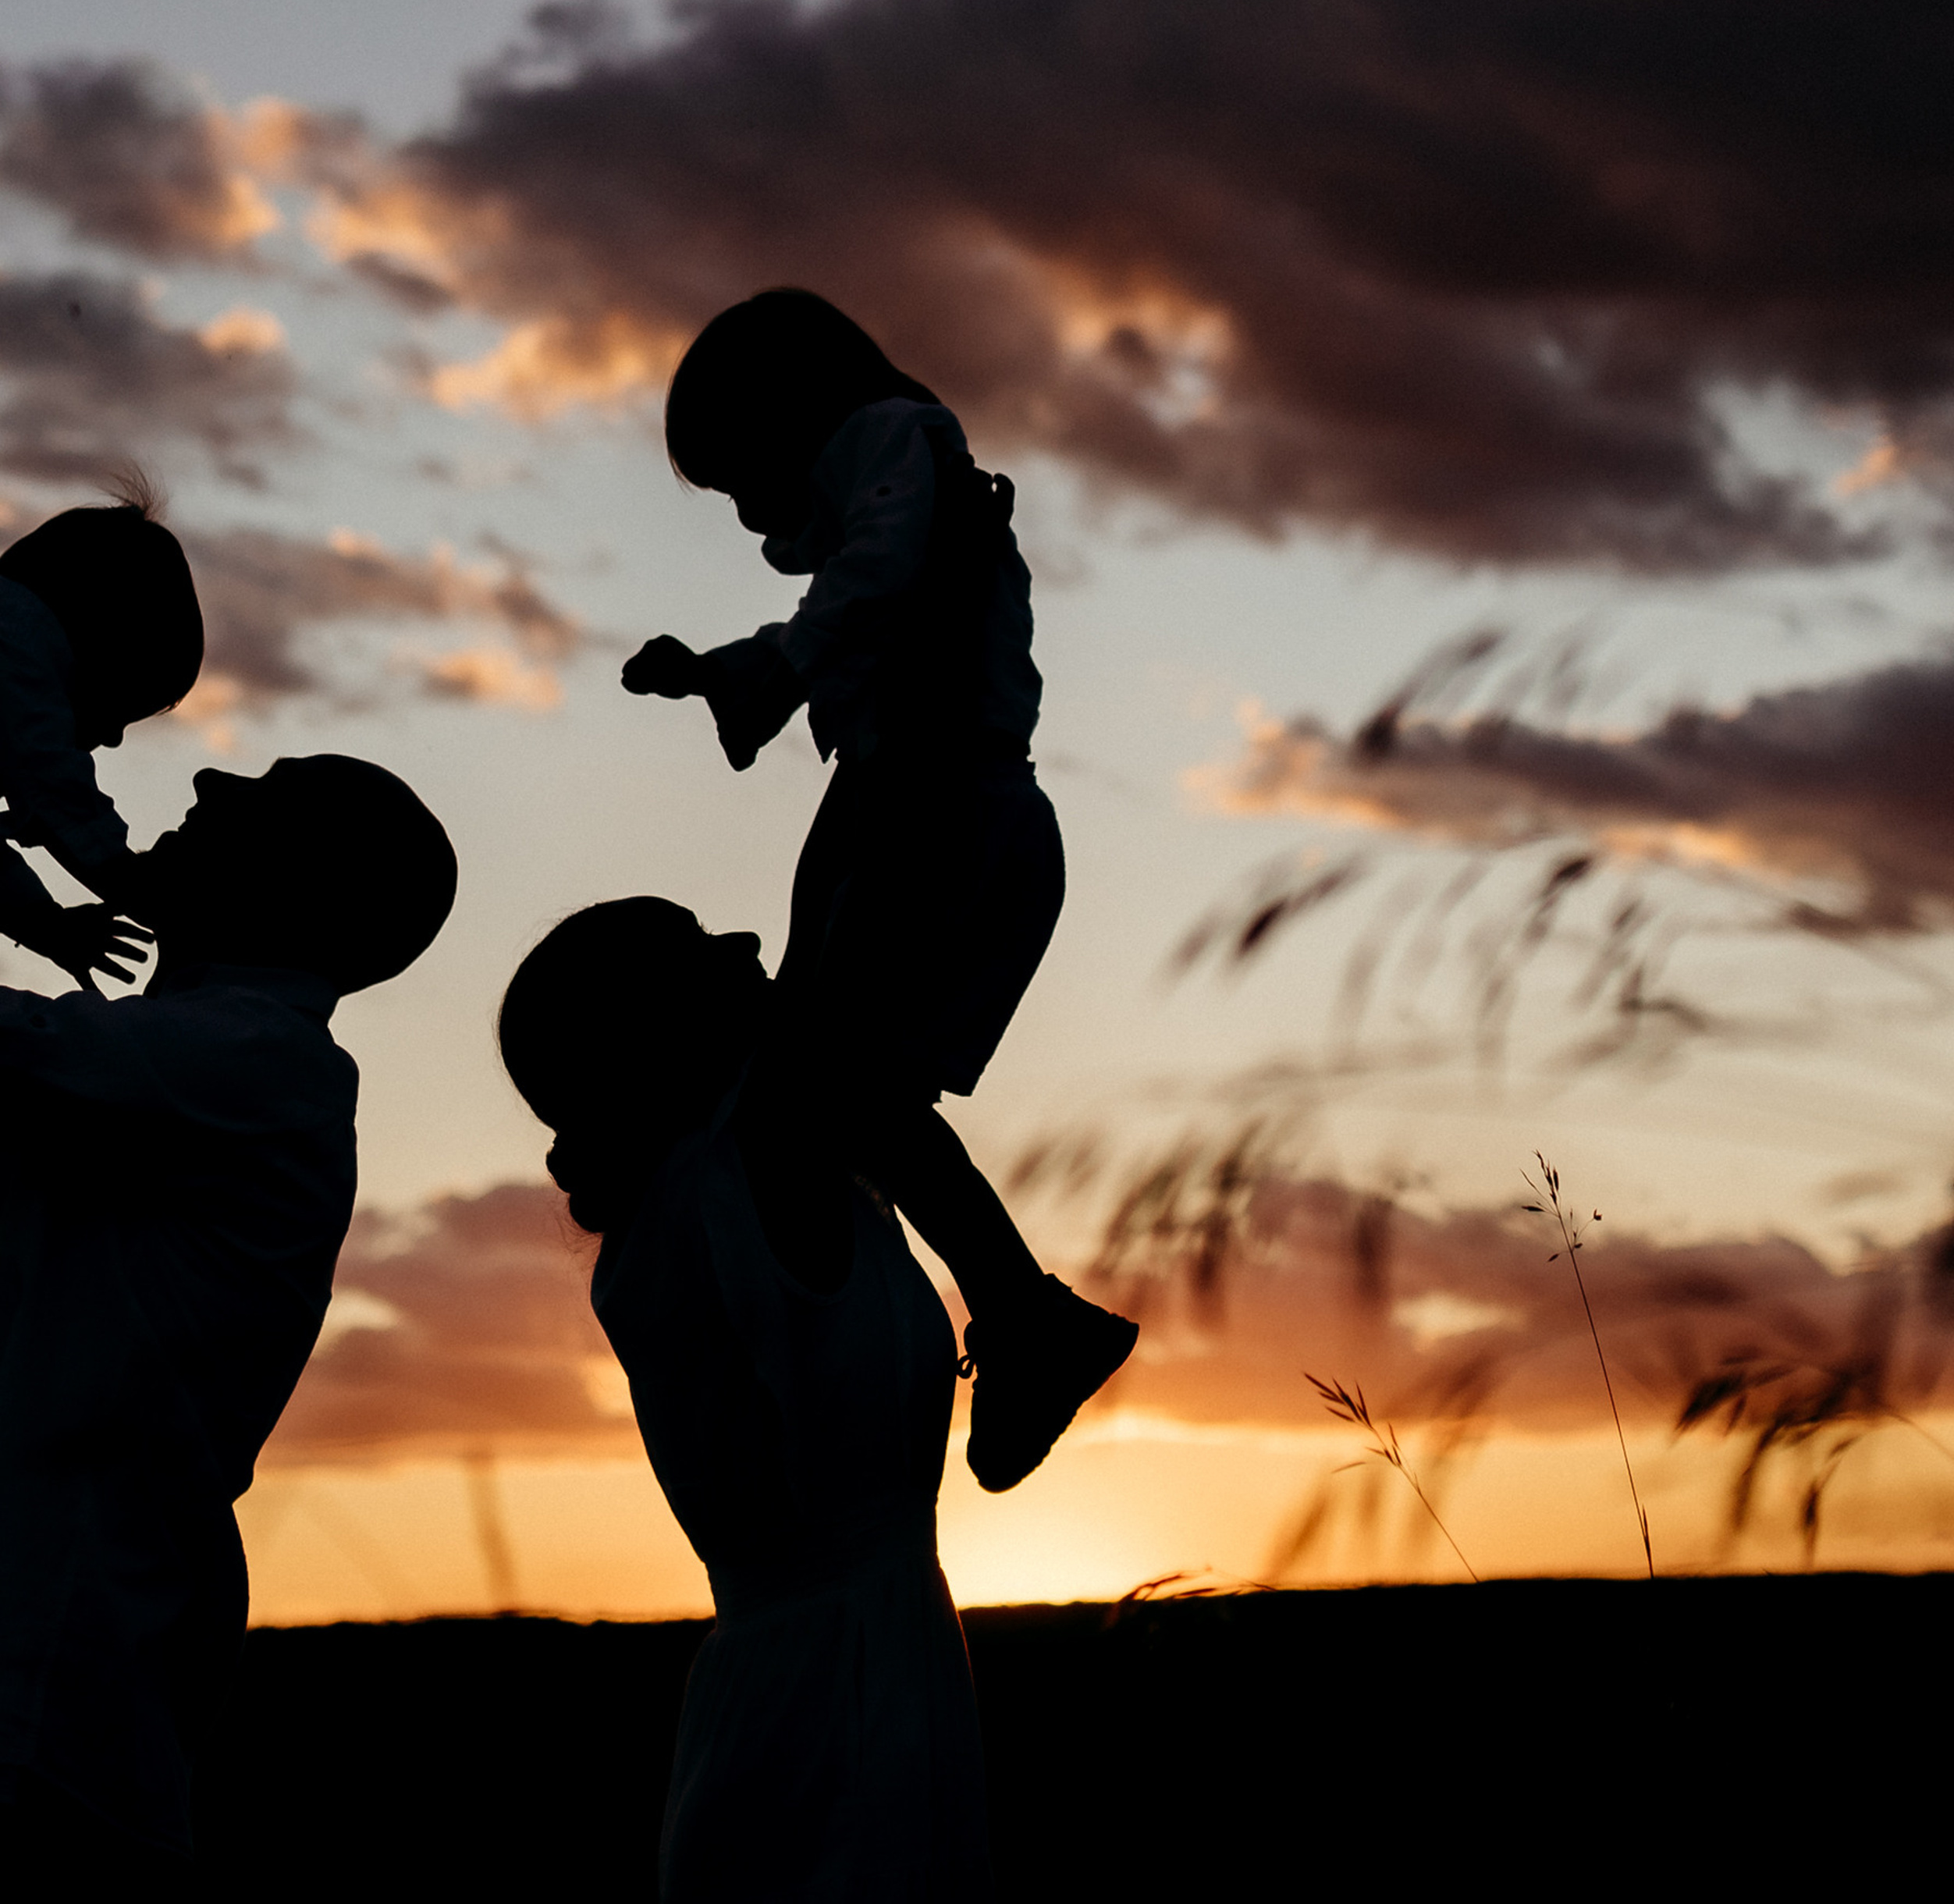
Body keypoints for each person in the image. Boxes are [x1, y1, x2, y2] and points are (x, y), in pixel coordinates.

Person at [622, 288, 1135, 1492]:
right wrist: (721, 673)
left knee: (830, 1088)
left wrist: (778, 667)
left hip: (932, 809)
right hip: (908, 805)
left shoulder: (898, 447)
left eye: (741, 477)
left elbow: (870, 577)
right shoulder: (887, 527)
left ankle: (1004, 1315)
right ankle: (979, 1317)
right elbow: (847, 608)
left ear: (788, 410)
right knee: (833, 1101)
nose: (750, 517)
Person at [0, 753, 457, 1895]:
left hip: (47, 1685)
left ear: (301, 890)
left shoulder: (269, 1062)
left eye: (261, 793)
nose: (204, 779)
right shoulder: (198, 1063)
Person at [499, 895, 991, 1903]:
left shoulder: (743, 1178)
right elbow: (847, 981)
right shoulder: (733, 1181)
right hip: (834, 1686)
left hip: (844, 1663)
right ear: (653, 1027)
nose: (748, 943)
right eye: (698, 945)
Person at [0, 488, 204, 990]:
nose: (112, 738)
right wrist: (133, 886)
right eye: (120, 708)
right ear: (98, 648)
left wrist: (45, 924)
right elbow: (53, 788)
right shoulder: (12, 643)